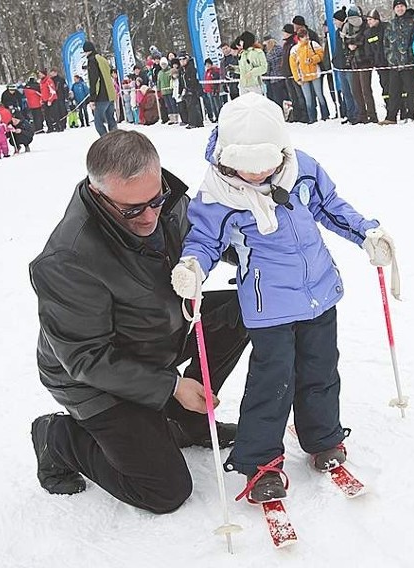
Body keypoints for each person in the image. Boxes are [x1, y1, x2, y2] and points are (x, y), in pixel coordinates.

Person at [169, 94, 398, 503]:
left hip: (319, 293)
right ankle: (259, 461)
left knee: (321, 371)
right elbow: (203, 240)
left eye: (267, 164)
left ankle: (324, 438)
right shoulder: (217, 195)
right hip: (268, 308)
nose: (258, 174)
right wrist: (192, 268)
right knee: (273, 381)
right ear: (227, 155)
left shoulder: (301, 168)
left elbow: (330, 206)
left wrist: (366, 233)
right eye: (248, 166)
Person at [29, 130, 249, 512]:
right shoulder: (68, 259)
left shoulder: (163, 198)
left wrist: (266, 250)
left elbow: (208, 237)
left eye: (155, 201)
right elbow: (85, 359)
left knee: (245, 308)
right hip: (95, 378)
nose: (149, 216)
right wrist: (170, 385)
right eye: (132, 209)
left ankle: (184, 421)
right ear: (99, 194)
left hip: (160, 331)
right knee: (165, 491)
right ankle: (58, 437)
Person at [381, 0, 414, 125]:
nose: (400, 8)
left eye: (402, 6)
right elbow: (386, 43)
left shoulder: (412, 24)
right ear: (394, 9)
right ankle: (391, 116)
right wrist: (389, 57)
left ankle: (410, 114)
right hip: (394, 64)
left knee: (410, 90)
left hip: (408, 64)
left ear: (405, 7)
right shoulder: (390, 25)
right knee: (393, 91)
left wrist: (409, 57)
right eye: (397, 6)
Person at [343, 6, 380, 124]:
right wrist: (349, 44)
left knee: (366, 89)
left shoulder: (365, 25)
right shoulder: (348, 27)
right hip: (354, 61)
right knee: (356, 90)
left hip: (365, 60)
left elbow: (364, 38)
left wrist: (354, 43)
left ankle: (372, 115)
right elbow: (344, 39)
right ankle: (362, 115)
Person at [290, 28, 327, 123]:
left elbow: (321, 55)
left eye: (306, 35)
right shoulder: (294, 50)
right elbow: (293, 66)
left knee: (320, 95)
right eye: (303, 36)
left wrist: (313, 59)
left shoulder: (313, 44)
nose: (306, 38)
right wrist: (297, 78)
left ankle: (325, 115)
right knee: (308, 98)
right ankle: (312, 118)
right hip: (303, 76)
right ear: (299, 38)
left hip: (315, 73)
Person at [84, 40, 118, 136]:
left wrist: (92, 98)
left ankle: (106, 141)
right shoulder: (102, 59)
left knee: (98, 122)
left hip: (101, 96)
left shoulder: (92, 60)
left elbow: (94, 80)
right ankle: (116, 138)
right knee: (111, 119)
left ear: (87, 51)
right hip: (110, 94)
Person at [364, 10, 391, 112]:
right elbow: (368, 50)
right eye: (367, 20)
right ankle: (388, 107)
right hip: (380, 65)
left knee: (396, 86)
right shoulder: (368, 33)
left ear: (376, 19)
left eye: (370, 20)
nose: (369, 22)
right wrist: (373, 62)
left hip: (390, 63)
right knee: (385, 86)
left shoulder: (386, 27)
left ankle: (401, 107)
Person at [281, 24, 308, 123]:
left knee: (299, 95)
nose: (283, 34)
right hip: (287, 73)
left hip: (294, 73)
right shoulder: (286, 44)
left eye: (284, 32)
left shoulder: (294, 42)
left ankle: (304, 114)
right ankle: (296, 114)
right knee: (293, 96)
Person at [177, 52, 205, 128]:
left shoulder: (191, 67)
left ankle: (194, 122)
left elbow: (193, 79)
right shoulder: (181, 70)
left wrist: (191, 88)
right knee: (189, 106)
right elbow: (181, 81)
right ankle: (198, 122)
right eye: (180, 60)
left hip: (193, 89)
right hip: (186, 90)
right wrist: (180, 91)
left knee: (193, 106)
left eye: (183, 59)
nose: (182, 61)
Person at [236, 31, 269, 96]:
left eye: (241, 41)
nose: (240, 43)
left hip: (255, 85)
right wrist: (234, 69)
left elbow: (264, 68)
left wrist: (252, 73)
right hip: (243, 85)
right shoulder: (242, 54)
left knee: (256, 105)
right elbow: (243, 69)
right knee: (245, 105)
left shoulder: (257, 52)